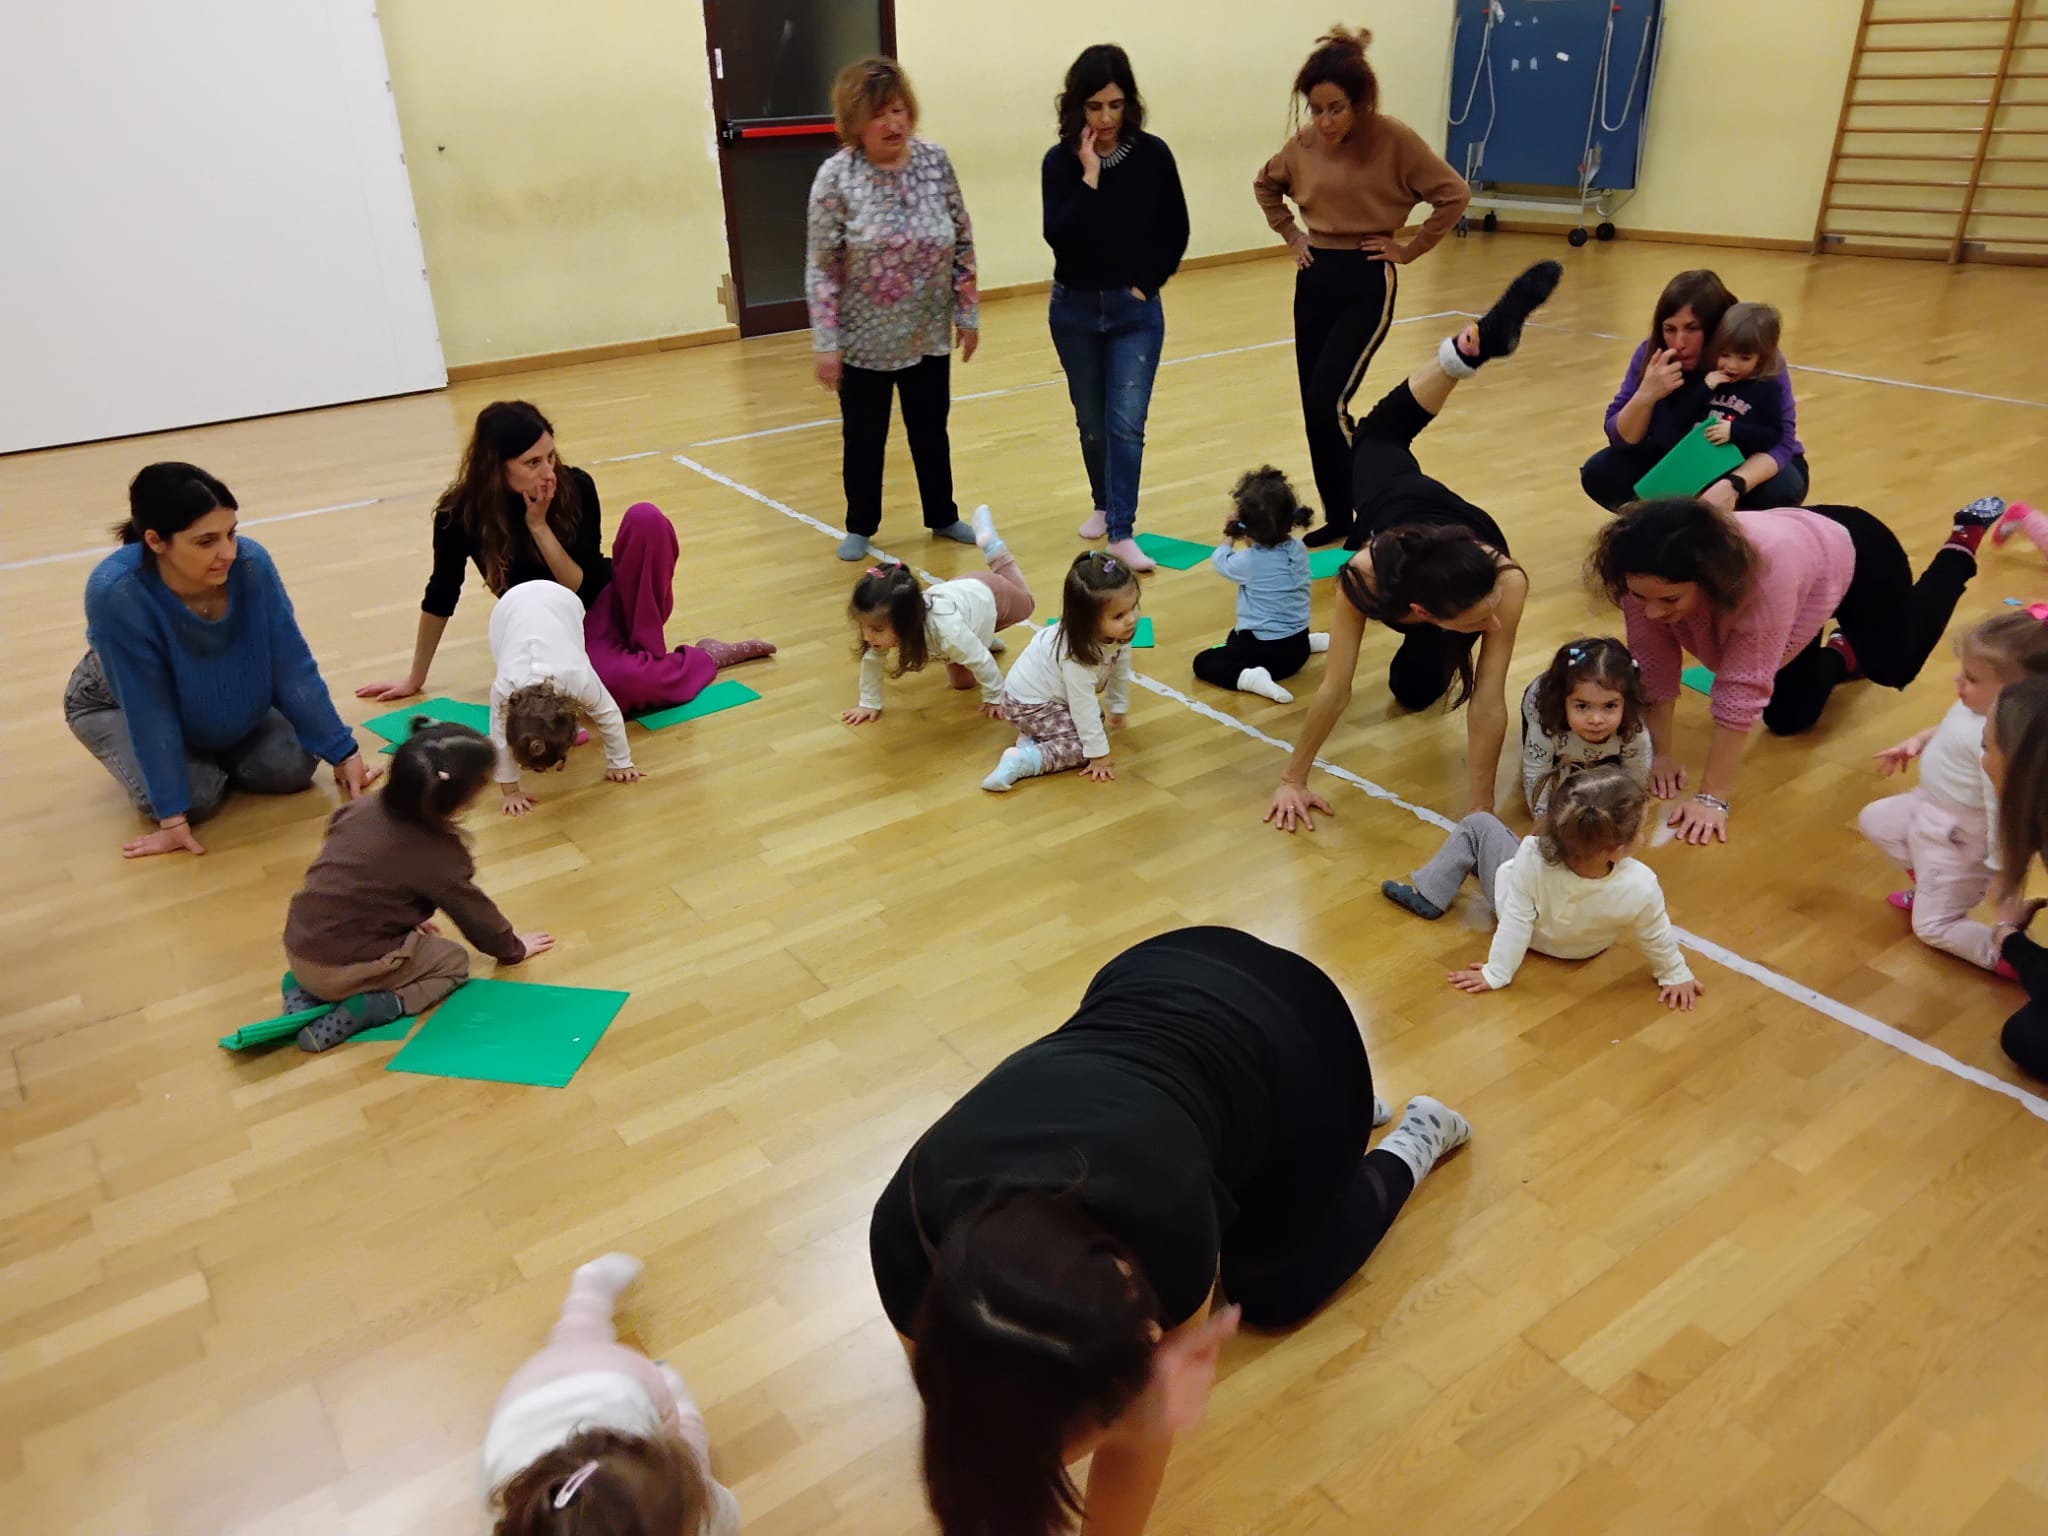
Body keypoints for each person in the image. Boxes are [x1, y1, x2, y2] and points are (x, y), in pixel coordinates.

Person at [869, 926, 1471, 1536]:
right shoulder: (905, 1242)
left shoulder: (1165, 1230)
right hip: (1161, 974)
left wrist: (1152, 1397)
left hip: (1305, 1035)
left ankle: (1414, 1133)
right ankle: (1282, 1117)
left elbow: (1139, 1443)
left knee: (1275, 1292)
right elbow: (981, 1444)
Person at [1263, 263, 1561, 832]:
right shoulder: (1363, 575)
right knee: (1373, 435)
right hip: (1395, 501)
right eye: (1479, 623)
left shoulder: (1505, 581)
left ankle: (1472, 347)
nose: (1496, 626)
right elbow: (1336, 688)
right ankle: (1466, 351)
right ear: (1422, 613)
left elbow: (1488, 700)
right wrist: (1292, 778)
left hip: (1451, 535)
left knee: (1413, 690)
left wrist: (1480, 810)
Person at [1587, 493, 2000, 846]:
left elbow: (1740, 689)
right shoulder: (1640, 577)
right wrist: (1660, 754)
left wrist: (1712, 796)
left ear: (1709, 581)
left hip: (1856, 551)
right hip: (1801, 576)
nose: (1652, 612)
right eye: (1642, 598)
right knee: (1789, 717)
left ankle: (1961, 546)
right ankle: (1844, 650)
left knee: (1895, 667)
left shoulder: (1761, 580)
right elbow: (1654, 667)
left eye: (1669, 601)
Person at [66, 462, 377, 859]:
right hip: (114, 698)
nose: (228, 553)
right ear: (156, 541)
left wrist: (344, 752)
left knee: (291, 767)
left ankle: (207, 745)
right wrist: (171, 819)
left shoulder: (251, 564)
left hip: (212, 678)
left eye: (232, 533)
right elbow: (147, 706)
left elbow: (290, 661)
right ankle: (199, 756)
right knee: (194, 799)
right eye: (206, 541)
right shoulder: (116, 592)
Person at [1254, 26, 1469, 547]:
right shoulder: (1303, 143)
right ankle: (1340, 516)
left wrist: (1409, 248)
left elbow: (1453, 194)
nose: (1325, 121)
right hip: (1315, 276)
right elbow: (1266, 184)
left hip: (1367, 276)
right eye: (1317, 110)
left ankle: (1376, 507)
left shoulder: (1394, 139)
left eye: (1336, 109)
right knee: (1314, 407)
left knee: (1329, 401)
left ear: (1360, 103)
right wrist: (1292, 235)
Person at [281, 721, 553, 1051]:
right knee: (453, 962)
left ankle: (304, 990)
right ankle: (380, 1005)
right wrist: (513, 949)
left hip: (298, 944)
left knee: (354, 951)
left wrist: (400, 911)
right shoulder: (440, 856)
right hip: (339, 970)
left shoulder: (358, 808)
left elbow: (353, 878)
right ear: (458, 805)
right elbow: (476, 916)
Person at [806, 57, 979, 563]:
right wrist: (826, 342)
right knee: (864, 438)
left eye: (899, 110)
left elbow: (962, 236)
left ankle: (942, 514)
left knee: (931, 430)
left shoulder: (934, 161)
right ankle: (860, 524)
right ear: (855, 122)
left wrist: (966, 312)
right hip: (864, 340)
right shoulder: (836, 177)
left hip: (926, 330)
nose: (892, 124)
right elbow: (822, 266)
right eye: (879, 114)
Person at [1381, 764, 1703, 1010]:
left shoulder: (1531, 856)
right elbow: (1656, 934)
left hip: (1530, 926)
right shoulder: (1642, 885)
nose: (1643, 836)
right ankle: (1478, 863)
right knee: (1506, 852)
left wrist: (1496, 973)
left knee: (1479, 824)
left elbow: (1516, 920)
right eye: (1640, 830)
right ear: (1616, 850)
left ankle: (1430, 894)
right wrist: (1675, 974)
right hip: (1582, 949)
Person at [1043, 44, 1190, 573]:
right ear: (1076, 107)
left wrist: (1147, 285)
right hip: (1075, 310)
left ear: (1130, 104)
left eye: (1115, 105)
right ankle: (1104, 503)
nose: (1105, 118)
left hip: (1134, 314)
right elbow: (1060, 237)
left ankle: (1122, 531)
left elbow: (1175, 229)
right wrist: (1088, 176)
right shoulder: (1060, 162)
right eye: (1094, 106)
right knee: (1091, 423)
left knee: (1126, 422)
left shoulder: (1152, 156)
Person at [357, 401, 610, 704]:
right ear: (496, 466)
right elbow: (442, 592)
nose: (549, 473)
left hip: (594, 609)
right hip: (538, 628)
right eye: (533, 463)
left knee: (607, 684)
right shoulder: (461, 513)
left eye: (551, 457)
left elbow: (580, 587)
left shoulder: (576, 487)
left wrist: (539, 525)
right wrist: (415, 678)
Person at [483, 1253, 741, 1536]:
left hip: (617, 1379)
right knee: (577, 1332)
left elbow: (714, 1503)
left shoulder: (673, 1493)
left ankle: (593, 1286)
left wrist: (698, 1479)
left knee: (683, 1444)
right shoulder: (526, 1503)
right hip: (520, 1401)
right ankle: (589, 1284)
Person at [1857, 611, 2048, 972]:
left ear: (2016, 693)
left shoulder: (1999, 745)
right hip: (1931, 805)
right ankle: (1934, 888)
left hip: (1959, 836)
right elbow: (1951, 726)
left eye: (1971, 678)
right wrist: (1918, 741)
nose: (1957, 681)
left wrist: (2002, 871)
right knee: (1875, 819)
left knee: (1931, 927)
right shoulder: (1978, 709)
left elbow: (2003, 811)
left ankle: (2003, 954)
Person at [1579, 270, 1812, 514]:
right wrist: (1646, 395)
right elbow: (1620, 440)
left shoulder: (1754, 358)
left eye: (1692, 329)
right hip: (1683, 457)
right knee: (1601, 472)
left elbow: (1781, 442)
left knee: (1779, 489)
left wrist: (1733, 484)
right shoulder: (1653, 354)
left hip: (1744, 457)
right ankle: (1667, 523)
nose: (1679, 342)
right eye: (1670, 329)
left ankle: (1724, 528)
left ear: (1715, 328)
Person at [843, 507, 1034, 725]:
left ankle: (994, 550)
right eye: (863, 626)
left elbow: (981, 660)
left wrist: (994, 697)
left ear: (906, 622)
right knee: (962, 683)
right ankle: (982, 637)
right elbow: (872, 662)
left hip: (990, 591)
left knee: (1027, 605)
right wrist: (868, 703)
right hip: (960, 605)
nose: (867, 637)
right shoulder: (890, 627)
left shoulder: (948, 632)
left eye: (876, 630)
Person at [584, 501, 774, 717]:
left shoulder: (580, 490)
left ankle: (701, 657)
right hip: (584, 613)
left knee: (646, 521)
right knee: (608, 680)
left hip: (602, 589)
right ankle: (701, 658)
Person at [981, 551, 1138, 792]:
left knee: (1095, 724)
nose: (1131, 619)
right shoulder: (1076, 656)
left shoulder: (1119, 635)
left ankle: (1033, 738)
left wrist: (1118, 705)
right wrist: (1098, 756)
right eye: (1119, 615)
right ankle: (1023, 761)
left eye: (1134, 607)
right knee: (1083, 746)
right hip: (1027, 705)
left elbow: (1119, 670)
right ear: (1087, 619)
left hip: (1038, 701)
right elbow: (1082, 704)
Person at [489, 581, 643, 817]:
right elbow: (499, 739)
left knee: (573, 645)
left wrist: (620, 762)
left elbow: (608, 713)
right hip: (506, 611)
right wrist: (510, 792)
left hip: (564, 602)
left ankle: (566, 726)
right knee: (507, 651)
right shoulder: (503, 689)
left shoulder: (578, 677)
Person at [1194, 465, 1328, 704]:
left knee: (1205, 660)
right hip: (1297, 650)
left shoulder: (1249, 561)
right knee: (1244, 633)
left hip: (1265, 654)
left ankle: (1250, 677)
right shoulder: (1297, 548)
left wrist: (1228, 535)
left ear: (1246, 528)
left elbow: (1219, 561)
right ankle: (1310, 642)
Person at [1519, 636, 1652, 817]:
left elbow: (1638, 768)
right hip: (1543, 711)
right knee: (1555, 773)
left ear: (1626, 703)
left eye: (1610, 706)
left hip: (1594, 747)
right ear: (1562, 702)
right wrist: (1541, 817)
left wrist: (1633, 806)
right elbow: (1536, 771)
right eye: (1582, 706)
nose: (1596, 719)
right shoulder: (1546, 723)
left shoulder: (1632, 727)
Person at [1682, 302, 1786, 458]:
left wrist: (1734, 432)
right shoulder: (1709, 378)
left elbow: (1772, 434)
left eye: (1745, 358)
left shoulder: (1766, 389)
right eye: (1725, 355)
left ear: (1761, 358)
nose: (1732, 366)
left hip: (1733, 463)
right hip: (1694, 457)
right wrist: (1704, 388)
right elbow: (1681, 417)